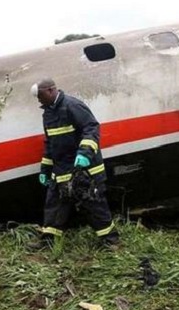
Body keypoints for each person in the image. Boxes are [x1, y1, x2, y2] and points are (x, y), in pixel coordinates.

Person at [29, 78, 120, 249]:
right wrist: (45, 170)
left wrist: (85, 154)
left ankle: (111, 240)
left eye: (40, 96)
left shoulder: (72, 105)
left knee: (93, 203)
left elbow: (91, 128)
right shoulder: (48, 113)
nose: (39, 100)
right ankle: (49, 240)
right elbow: (50, 143)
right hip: (61, 170)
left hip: (84, 169)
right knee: (54, 204)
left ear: (50, 90)